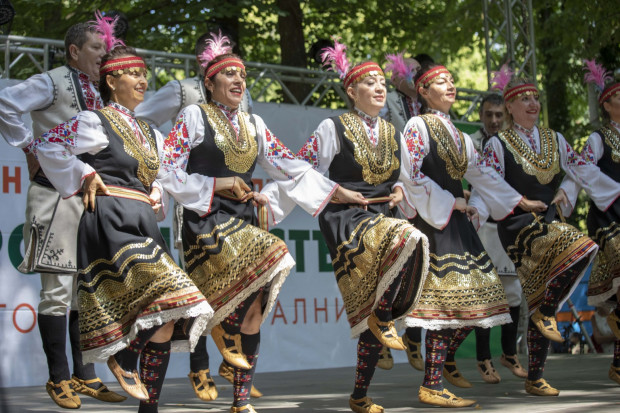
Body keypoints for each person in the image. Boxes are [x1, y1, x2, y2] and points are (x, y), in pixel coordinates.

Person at [157, 33, 364, 413]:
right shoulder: (194, 115)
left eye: (243, 75)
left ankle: (240, 400)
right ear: (209, 82)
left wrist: (338, 191)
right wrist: (216, 183)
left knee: (259, 302)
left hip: (242, 220)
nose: (239, 80)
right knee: (277, 252)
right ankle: (217, 332)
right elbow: (165, 171)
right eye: (229, 74)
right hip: (206, 223)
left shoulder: (254, 123)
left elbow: (291, 165)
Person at [31, 45, 214, 413]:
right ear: (112, 81)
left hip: (143, 222)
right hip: (111, 218)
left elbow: (171, 174)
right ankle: (126, 357)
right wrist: (84, 173)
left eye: (145, 72)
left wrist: (161, 188)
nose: (143, 79)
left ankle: (149, 408)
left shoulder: (150, 131)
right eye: (134, 73)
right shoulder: (94, 121)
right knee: (184, 298)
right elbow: (46, 144)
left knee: (167, 318)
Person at [279, 39, 430, 413]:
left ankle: (359, 395)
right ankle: (386, 316)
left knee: (371, 317)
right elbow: (299, 166)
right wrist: (336, 190)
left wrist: (397, 188)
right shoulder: (334, 127)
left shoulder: (395, 133)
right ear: (351, 91)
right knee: (410, 236)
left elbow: (407, 178)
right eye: (370, 82)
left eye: (383, 81)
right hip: (349, 221)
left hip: (384, 216)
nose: (380, 87)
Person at [399, 62, 540, 407]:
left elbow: (483, 176)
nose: (450, 85)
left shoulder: (462, 136)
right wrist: (452, 202)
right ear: (423, 91)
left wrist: (513, 200)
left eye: (451, 81)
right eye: (440, 82)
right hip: (435, 223)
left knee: (486, 299)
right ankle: (431, 382)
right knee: (444, 307)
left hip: (457, 224)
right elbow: (409, 174)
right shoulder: (417, 125)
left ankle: (439, 369)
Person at [0, 21, 125, 409]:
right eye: (95, 49)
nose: (104, 55)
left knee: (83, 293)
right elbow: (4, 102)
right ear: (74, 51)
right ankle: (57, 379)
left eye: (105, 49)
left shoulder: (102, 91)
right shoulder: (51, 82)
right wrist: (28, 147)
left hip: (92, 199)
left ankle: (84, 376)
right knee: (57, 292)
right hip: (55, 197)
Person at [135, 30, 256, 403]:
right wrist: (175, 159)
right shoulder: (183, 94)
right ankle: (198, 365)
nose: (235, 75)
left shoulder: (241, 98)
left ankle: (227, 369)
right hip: (196, 203)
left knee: (239, 286)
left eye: (237, 65)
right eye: (222, 61)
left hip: (235, 208)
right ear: (205, 64)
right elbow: (139, 120)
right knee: (193, 288)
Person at [473, 76, 605, 396]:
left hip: (549, 220)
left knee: (538, 297)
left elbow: (580, 168)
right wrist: (512, 203)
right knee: (582, 245)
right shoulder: (497, 144)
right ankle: (544, 313)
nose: (533, 104)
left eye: (536, 98)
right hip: (517, 226)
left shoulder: (555, 138)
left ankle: (535, 377)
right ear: (510, 106)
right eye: (525, 99)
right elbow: (485, 182)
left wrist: (565, 190)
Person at [449, 92, 527, 385]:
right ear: (480, 115)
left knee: (514, 293)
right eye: (488, 115)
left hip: (510, 223)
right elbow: (451, 178)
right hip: (483, 224)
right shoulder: (468, 142)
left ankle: (509, 352)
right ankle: (482, 357)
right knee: (483, 295)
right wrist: (463, 195)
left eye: (499, 115)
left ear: (506, 114)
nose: (494, 120)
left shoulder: (513, 144)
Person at [579, 60, 620, 385]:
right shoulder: (598, 139)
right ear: (606, 104)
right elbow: (581, 170)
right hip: (608, 216)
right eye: (618, 95)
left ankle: (618, 364)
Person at [379, 52, 421, 133]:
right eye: (410, 70)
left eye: (418, 70)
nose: (415, 74)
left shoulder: (429, 99)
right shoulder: (385, 100)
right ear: (394, 80)